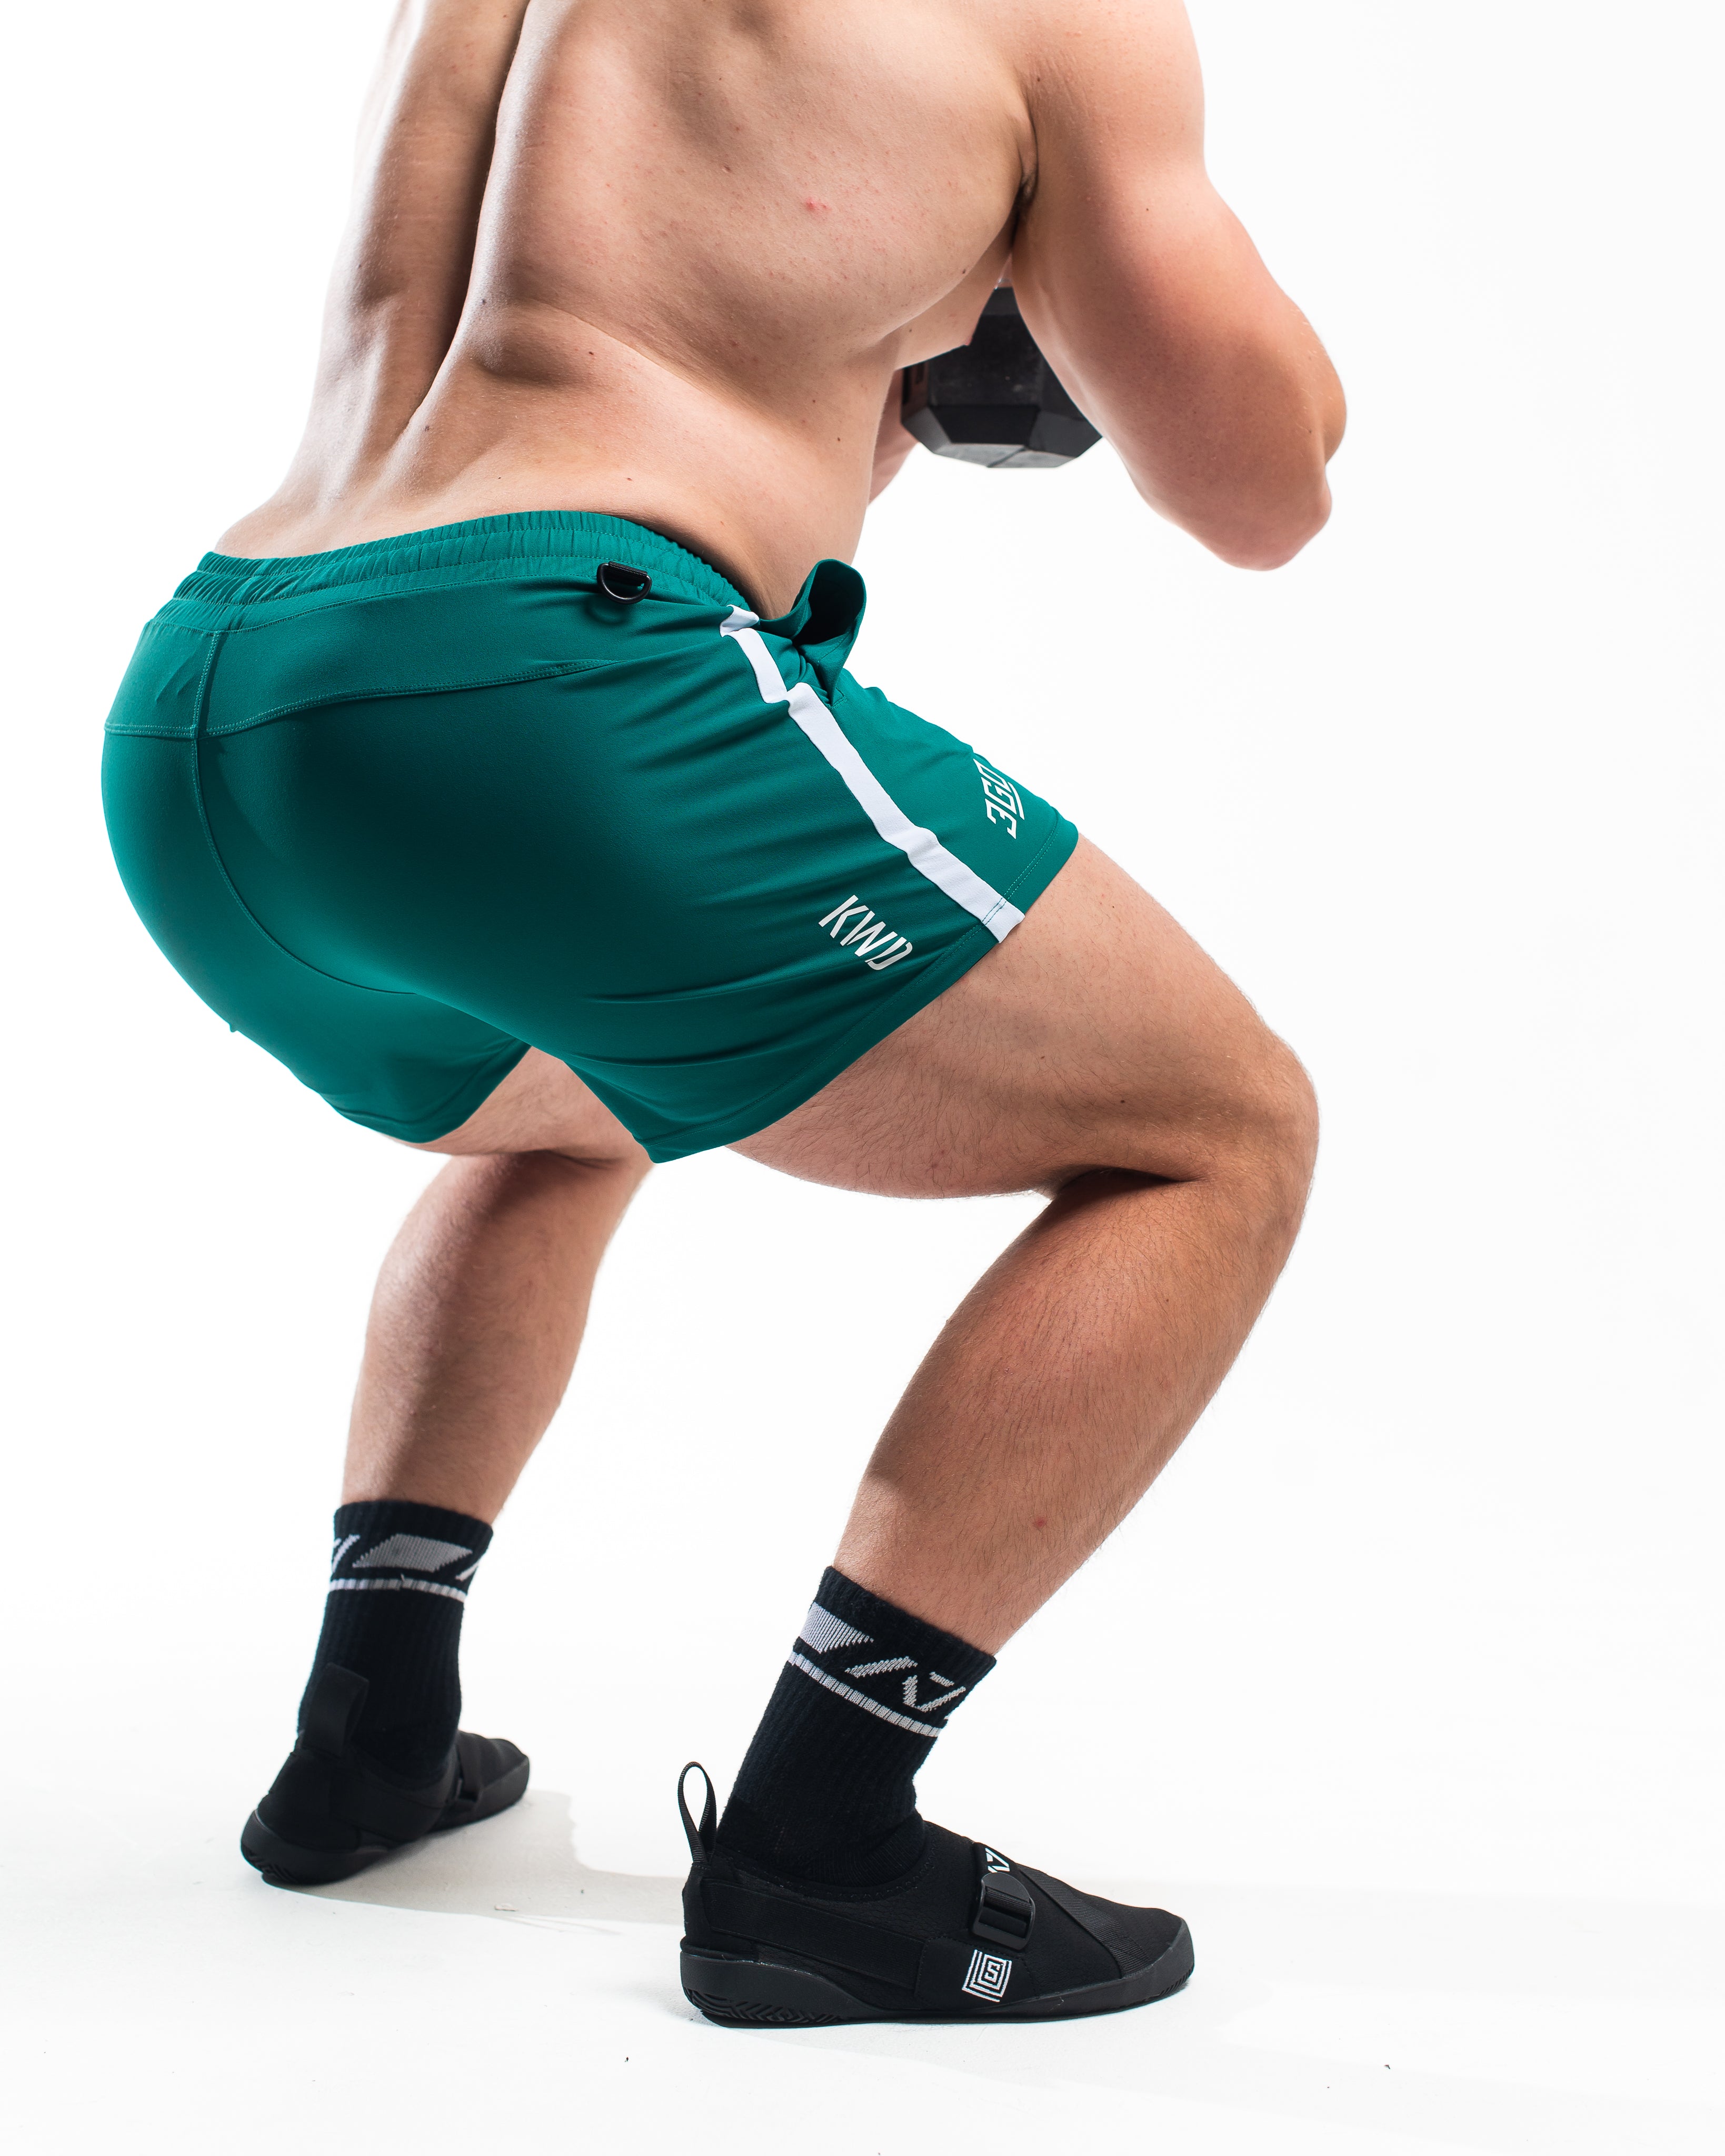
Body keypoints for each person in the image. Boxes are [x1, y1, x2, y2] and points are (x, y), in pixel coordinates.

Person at [102, 0, 1343, 2026]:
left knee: (568, 1100)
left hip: (218, 700)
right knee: (1222, 1132)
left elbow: (632, 314)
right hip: (554, 683)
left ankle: (372, 1725)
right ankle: (823, 1849)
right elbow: (1261, 487)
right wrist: (1102, 284)